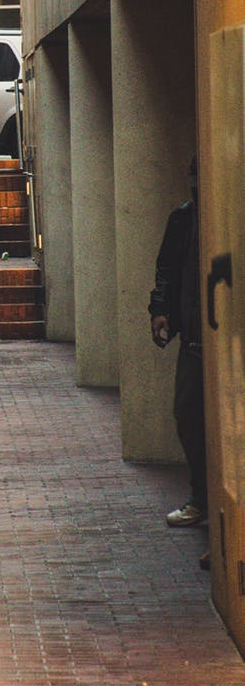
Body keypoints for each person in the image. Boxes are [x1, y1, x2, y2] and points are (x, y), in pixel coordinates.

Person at [148, 155, 207, 528]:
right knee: (187, 414)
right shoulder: (185, 218)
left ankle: (210, 503)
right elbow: (167, 268)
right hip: (195, 337)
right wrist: (160, 309)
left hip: (215, 335)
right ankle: (202, 497)